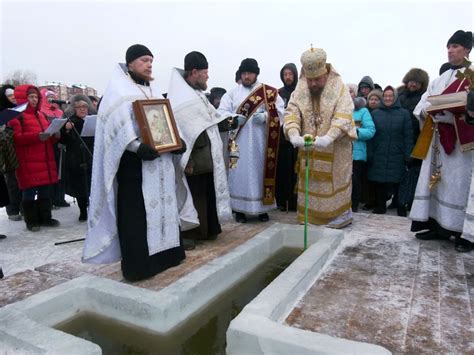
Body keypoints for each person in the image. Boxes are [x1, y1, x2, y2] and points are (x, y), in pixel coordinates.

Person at [82, 44, 198, 281]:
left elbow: (167, 125)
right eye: (144, 60)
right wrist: (137, 147)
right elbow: (116, 133)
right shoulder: (118, 93)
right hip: (135, 169)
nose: (149, 65)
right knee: (137, 217)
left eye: (151, 61)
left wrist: (178, 143)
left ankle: (168, 256)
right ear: (131, 63)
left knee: (165, 209)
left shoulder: (153, 91)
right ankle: (140, 265)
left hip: (160, 166)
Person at [410, 30, 473, 253]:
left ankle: (462, 233)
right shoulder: (439, 80)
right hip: (437, 138)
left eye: (455, 46)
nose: (450, 50)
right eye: (448, 46)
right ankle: (438, 226)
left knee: (458, 186)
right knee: (438, 184)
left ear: (467, 49)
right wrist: (430, 111)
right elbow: (421, 105)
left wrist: (454, 114)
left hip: (462, 145)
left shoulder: (472, 75)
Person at [283, 47, 357, 228]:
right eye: (310, 80)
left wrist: (329, 137)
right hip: (309, 150)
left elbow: (344, 114)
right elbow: (291, 113)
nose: (313, 84)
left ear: (325, 73)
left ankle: (339, 215)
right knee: (311, 183)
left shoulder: (339, 86)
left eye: (317, 79)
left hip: (336, 149)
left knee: (335, 180)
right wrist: (293, 134)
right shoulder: (300, 87)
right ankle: (309, 216)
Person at [167, 51, 233, 248]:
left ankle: (210, 228)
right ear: (194, 72)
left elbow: (209, 118)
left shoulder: (196, 93)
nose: (207, 77)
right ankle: (192, 232)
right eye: (205, 72)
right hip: (193, 157)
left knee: (207, 191)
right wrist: (188, 160)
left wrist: (229, 122)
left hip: (207, 155)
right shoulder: (180, 97)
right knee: (194, 195)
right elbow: (182, 129)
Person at [218, 58, 285, 223]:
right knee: (238, 175)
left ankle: (263, 209)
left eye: (250, 73)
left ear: (256, 74)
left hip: (260, 144)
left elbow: (281, 112)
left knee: (259, 173)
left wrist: (265, 116)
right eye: (244, 73)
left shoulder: (269, 93)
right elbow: (221, 112)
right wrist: (233, 119)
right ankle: (239, 209)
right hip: (238, 143)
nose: (246, 76)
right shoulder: (232, 94)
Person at [8, 85, 60, 231]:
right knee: (29, 191)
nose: (34, 99)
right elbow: (16, 138)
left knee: (45, 190)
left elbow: (46, 136)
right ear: (23, 98)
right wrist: (37, 137)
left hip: (44, 159)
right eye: (31, 97)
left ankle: (45, 218)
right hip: (28, 161)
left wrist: (54, 136)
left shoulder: (41, 115)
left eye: (36, 97)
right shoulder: (15, 116)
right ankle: (31, 221)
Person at [368, 86, 413, 216]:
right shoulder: (375, 113)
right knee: (379, 180)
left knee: (398, 181)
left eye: (390, 96)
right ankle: (381, 206)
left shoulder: (404, 114)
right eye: (386, 96)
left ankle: (400, 206)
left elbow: (408, 136)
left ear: (395, 97)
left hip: (397, 152)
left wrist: (408, 154)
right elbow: (371, 135)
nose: (388, 98)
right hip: (379, 151)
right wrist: (370, 152)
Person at [397, 68, 429, 210]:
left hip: (417, 138)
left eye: (417, 82)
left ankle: (410, 199)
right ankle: (397, 199)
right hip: (399, 137)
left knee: (414, 171)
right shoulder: (399, 94)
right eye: (411, 81)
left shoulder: (425, 97)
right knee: (398, 169)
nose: (413, 85)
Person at [61, 95, 96, 221]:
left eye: (84, 107)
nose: (82, 109)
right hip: (76, 158)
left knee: (92, 184)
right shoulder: (70, 122)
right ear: (74, 109)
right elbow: (63, 141)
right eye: (79, 107)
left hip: (90, 155)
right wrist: (66, 130)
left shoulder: (92, 120)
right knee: (80, 186)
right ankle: (83, 210)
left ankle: (94, 209)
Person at [276, 63, 299, 212]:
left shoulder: (301, 92)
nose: (288, 77)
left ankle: (294, 202)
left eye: (290, 74)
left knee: (295, 172)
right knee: (282, 171)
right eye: (285, 74)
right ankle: (281, 201)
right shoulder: (278, 93)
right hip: (282, 140)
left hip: (297, 139)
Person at [350, 92, 375, 213]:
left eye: (351, 91)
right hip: (342, 152)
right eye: (347, 91)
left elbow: (371, 131)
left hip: (357, 152)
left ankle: (354, 205)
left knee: (355, 180)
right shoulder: (341, 109)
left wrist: (355, 131)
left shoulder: (363, 111)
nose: (349, 94)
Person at [0, 85, 22, 221]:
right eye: (10, 96)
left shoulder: (20, 110)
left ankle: (22, 206)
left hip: (19, 149)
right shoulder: (3, 112)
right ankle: (13, 209)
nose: (13, 98)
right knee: (12, 181)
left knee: (21, 181)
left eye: (14, 95)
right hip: (7, 153)